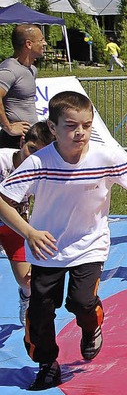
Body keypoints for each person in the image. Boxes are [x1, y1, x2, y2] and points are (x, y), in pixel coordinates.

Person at [0, 91, 127, 391]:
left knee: (81, 301)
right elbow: (3, 199)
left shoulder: (104, 155)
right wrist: (29, 232)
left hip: (90, 244)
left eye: (87, 125)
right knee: (41, 311)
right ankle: (47, 364)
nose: (80, 132)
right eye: (71, 125)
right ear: (53, 128)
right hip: (47, 248)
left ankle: (91, 327)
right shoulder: (39, 162)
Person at [0, 121, 55, 325]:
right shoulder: (2, 159)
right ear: (22, 141)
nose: (33, 157)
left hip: (16, 226)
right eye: (31, 149)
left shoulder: (44, 169)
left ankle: (25, 296)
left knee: (28, 280)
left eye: (40, 153)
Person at [0, 24, 46, 148]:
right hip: (13, 141)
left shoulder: (32, 70)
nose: (45, 43)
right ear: (28, 44)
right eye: (41, 40)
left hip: (30, 136)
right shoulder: (9, 69)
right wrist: (8, 127)